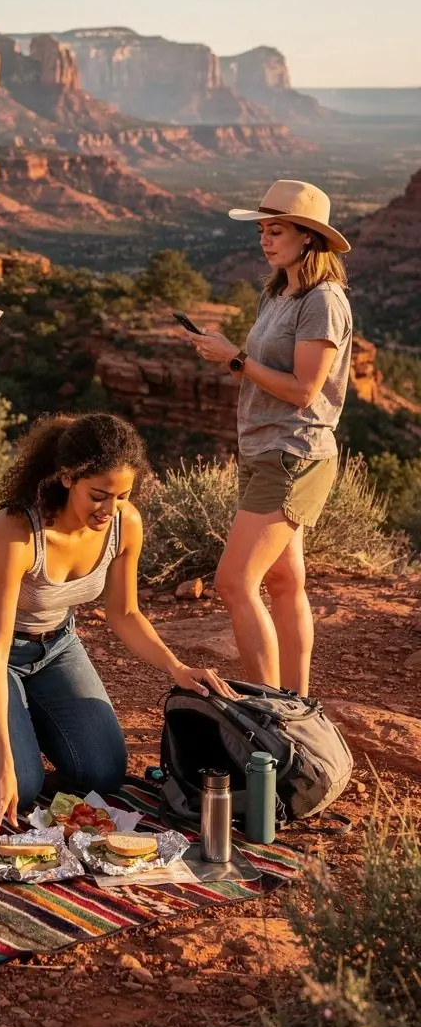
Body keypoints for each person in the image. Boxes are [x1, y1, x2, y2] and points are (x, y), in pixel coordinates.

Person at [0, 412, 237, 841]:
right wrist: (1, 767)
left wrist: (176, 667)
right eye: (99, 495)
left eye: (122, 495)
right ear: (67, 477)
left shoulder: (126, 523)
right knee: (20, 785)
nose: (110, 509)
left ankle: (19, 714)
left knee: (102, 774)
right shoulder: (17, 530)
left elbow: (124, 614)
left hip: (55, 648)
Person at [188, 179, 352, 698]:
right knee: (283, 584)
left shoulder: (323, 301)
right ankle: (295, 705)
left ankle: (264, 714)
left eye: (275, 230)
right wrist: (229, 354)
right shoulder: (278, 292)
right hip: (263, 449)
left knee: (233, 582)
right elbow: (264, 371)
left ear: (307, 237)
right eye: (262, 230)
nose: (264, 239)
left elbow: (305, 391)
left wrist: (234, 358)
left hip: (294, 455)